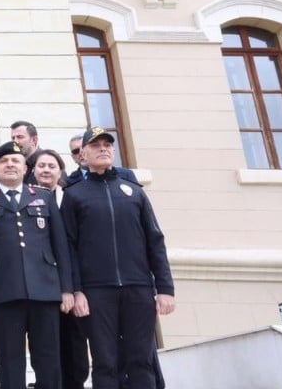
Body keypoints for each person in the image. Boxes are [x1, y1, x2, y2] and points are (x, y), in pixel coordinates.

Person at [61, 127, 175, 389]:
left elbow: (154, 240)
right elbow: (69, 248)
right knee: (105, 362)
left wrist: (165, 289)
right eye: (96, 145)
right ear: (83, 155)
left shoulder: (133, 190)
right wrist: (77, 290)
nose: (103, 149)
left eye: (107, 145)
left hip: (139, 288)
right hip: (97, 292)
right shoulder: (74, 194)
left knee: (141, 360)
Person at [0, 144, 73, 389]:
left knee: (49, 361)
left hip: (45, 291)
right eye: (4, 161)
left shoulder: (43, 197)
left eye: (15, 161)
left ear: (25, 168)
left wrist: (67, 289)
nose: (10, 164)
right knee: (9, 362)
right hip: (4, 293)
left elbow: (60, 246)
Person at [29, 149, 89, 389]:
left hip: (72, 282)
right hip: (41, 285)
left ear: (60, 171)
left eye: (51, 166)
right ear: (32, 171)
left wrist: (75, 288)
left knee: (74, 344)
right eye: (41, 165)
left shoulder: (72, 198)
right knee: (45, 347)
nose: (46, 170)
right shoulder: (27, 199)